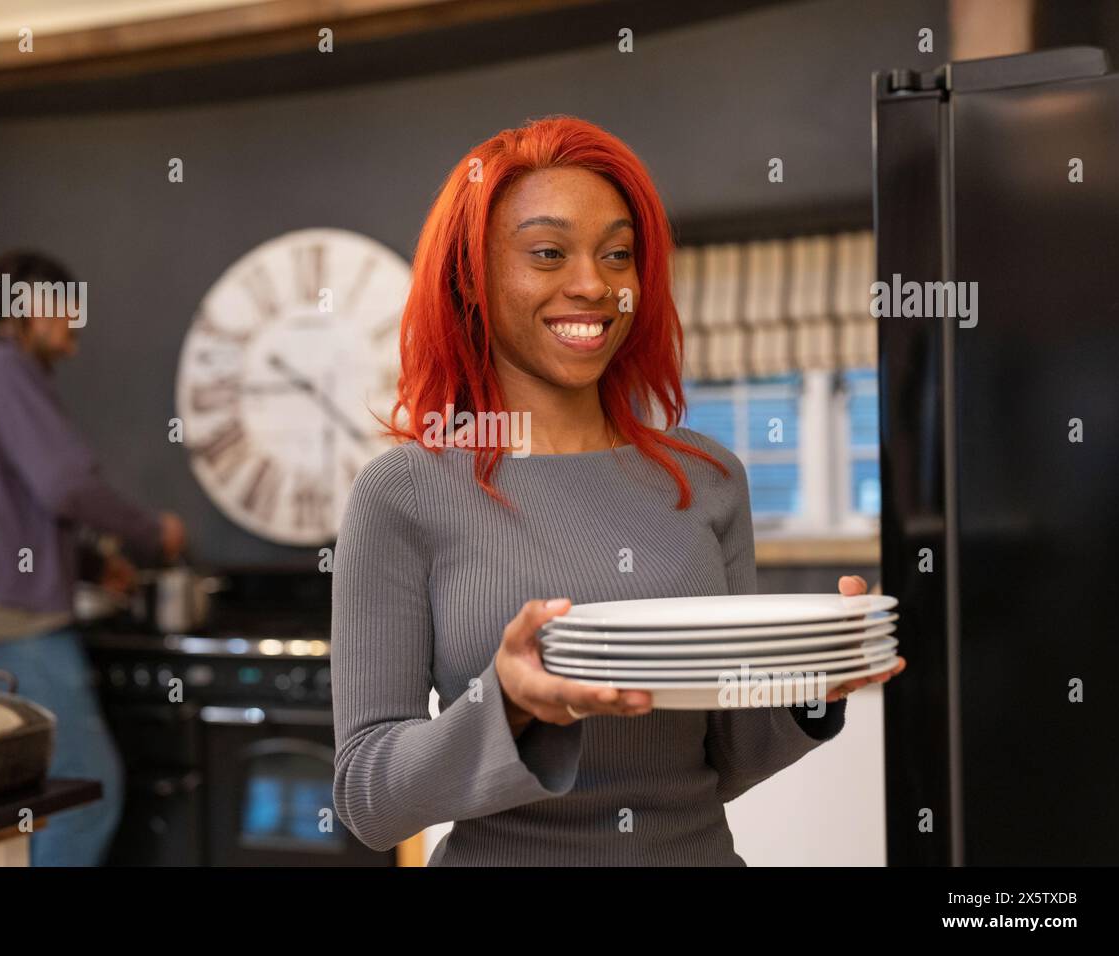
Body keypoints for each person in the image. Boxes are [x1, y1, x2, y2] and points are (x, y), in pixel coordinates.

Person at [331, 116, 907, 866]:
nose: (593, 285)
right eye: (547, 253)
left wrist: (813, 684)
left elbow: (726, 756)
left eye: (617, 255)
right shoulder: (403, 492)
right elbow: (369, 800)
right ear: (471, 275)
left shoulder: (709, 479)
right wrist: (500, 704)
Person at [0, 250, 186, 866]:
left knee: (34, 802)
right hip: (18, 623)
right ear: (30, 310)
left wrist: (94, 566)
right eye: (69, 311)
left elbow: (14, 500)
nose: (74, 331)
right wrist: (154, 534)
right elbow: (65, 485)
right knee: (86, 795)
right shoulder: (4, 372)